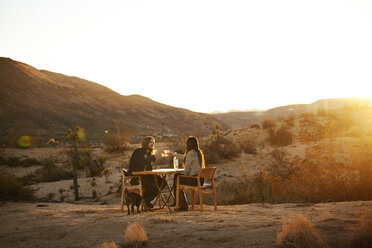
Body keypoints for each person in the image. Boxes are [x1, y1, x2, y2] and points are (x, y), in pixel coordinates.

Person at [169, 136, 205, 211]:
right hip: (200, 180)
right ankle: (178, 202)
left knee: (176, 178)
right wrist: (174, 155)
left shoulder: (190, 153)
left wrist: (183, 174)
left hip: (194, 180)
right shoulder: (197, 152)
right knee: (177, 178)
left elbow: (187, 170)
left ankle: (181, 204)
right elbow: (185, 158)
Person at [128, 136, 163, 209]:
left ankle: (146, 200)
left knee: (163, 181)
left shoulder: (149, 153)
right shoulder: (138, 151)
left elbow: (148, 168)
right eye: (150, 142)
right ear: (145, 142)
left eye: (153, 142)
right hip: (136, 177)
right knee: (153, 185)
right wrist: (154, 156)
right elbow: (141, 163)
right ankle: (145, 201)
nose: (152, 143)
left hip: (145, 176)